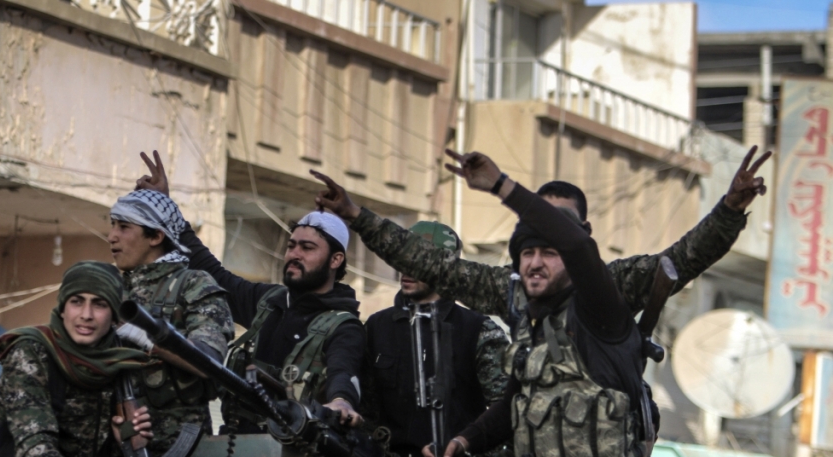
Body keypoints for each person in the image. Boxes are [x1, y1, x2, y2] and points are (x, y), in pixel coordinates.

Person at [310, 147, 772, 324]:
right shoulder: (512, 292)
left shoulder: (607, 289)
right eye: (533, 237)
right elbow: (432, 264)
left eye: (558, 234)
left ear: (584, 236)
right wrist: (354, 214)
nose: (540, 253)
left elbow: (682, 258)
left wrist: (729, 210)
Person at [136, 151, 365, 429]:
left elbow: (344, 371)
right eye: (291, 245)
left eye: (307, 248)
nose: (294, 254)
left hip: (293, 456)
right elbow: (210, 269)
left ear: (335, 260)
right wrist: (165, 206)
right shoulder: (269, 302)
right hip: (237, 446)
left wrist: (341, 401)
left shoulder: (343, 326)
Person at [0, 261, 151, 457]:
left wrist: (124, 440)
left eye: (99, 304)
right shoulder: (31, 352)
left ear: (113, 315)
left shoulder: (121, 362)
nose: (86, 315)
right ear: (63, 308)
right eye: (77, 302)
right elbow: (33, 446)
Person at [360, 221, 510, 457]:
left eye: (418, 260)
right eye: (402, 258)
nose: (405, 268)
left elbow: (505, 412)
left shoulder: (480, 331)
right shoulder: (376, 327)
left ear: (445, 268)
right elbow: (366, 412)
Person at [107, 179, 234, 457]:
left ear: (156, 236)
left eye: (124, 227)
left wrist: (147, 340)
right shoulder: (108, 288)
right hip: (118, 442)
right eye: (112, 225)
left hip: (186, 454)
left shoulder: (193, 285)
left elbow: (209, 360)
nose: (112, 236)